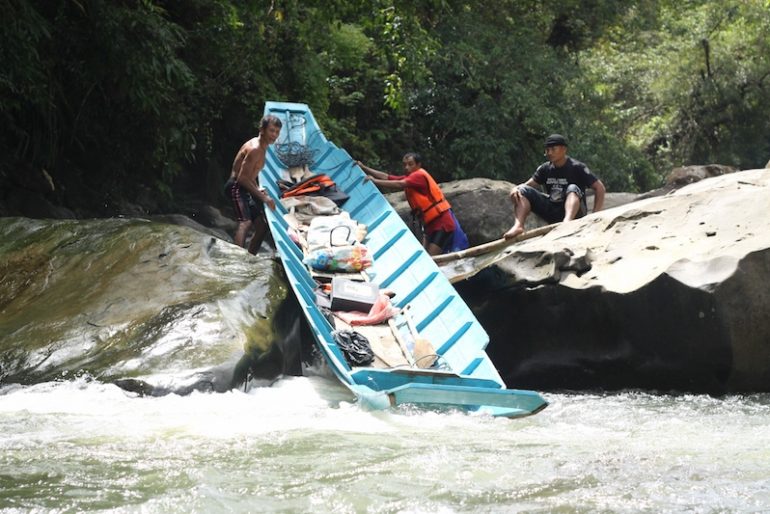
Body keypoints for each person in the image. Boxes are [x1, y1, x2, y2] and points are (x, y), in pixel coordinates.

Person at [503, 134, 606, 239]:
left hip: (575, 213)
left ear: (564, 149)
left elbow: (600, 188)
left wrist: (595, 215)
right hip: (554, 210)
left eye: (553, 149)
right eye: (547, 150)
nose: (549, 153)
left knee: (572, 188)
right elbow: (527, 185)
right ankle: (518, 226)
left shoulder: (577, 167)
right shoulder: (545, 169)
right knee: (522, 191)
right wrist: (516, 189)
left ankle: (567, 222)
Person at [357, 153, 457, 256]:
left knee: (431, 256)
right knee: (425, 256)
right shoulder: (410, 177)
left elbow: (400, 184)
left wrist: (375, 181)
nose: (406, 167)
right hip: (429, 224)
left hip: (441, 223)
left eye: (410, 164)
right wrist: (364, 168)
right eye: (405, 164)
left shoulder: (418, 175)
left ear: (418, 165)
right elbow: (386, 177)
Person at [224, 114, 282, 254]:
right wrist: (264, 198)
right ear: (262, 130)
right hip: (236, 186)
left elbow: (250, 175)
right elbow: (242, 178)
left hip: (245, 187)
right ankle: (237, 258)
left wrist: (257, 188)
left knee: (262, 225)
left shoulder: (263, 148)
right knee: (245, 222)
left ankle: (250, 258)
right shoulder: (255, 149)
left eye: (277, 132)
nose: (274, 135)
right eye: (271, 131)